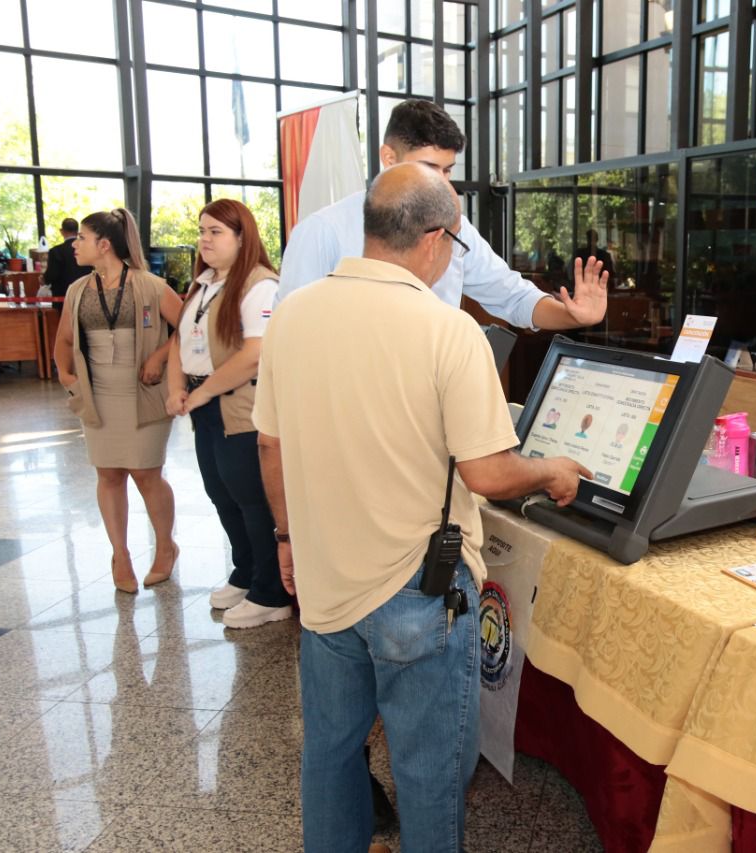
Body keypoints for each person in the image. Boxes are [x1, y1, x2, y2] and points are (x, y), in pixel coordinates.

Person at [253, 164, 587, 853]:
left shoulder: (292, 317)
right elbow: (489, 471)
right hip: (418, 592)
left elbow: (269, 446)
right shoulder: (449, 331)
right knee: (429, 773)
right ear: (435, 239)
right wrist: (551, 468)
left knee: (332, 756)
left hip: (323, 584)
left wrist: (286, 538)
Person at [278, 98, 608, 331]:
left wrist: (573, 316)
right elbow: (288, 332)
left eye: (447, 170)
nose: (440, 182)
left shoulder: (457, 227)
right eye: (428, 168)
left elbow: (512, 296)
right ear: (389, 158)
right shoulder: (324, 230)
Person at [165, 198, 293, 630]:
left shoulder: (261, 285)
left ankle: (271, 593)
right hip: (205, 404)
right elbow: (179, 342)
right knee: (221, 493)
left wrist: (202, 395)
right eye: (202, 230)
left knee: (252, 499)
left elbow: (254, 355)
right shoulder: (202, 284)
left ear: (243, 237)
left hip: (239, 404)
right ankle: (246, 572)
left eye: (216, 231)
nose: (205, 239)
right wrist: (177, 387)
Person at [53, 209, 183, 594]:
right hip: (97, 396)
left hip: (143, 394)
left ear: (104, 245)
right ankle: (120, 553)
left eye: (82, 239)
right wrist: (66, 376)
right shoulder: (79, 291)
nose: (75, 244)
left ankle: (165, 547)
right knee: (108, 474)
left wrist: (159, 357)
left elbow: (190, 328)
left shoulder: (150, 285)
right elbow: (62, 340)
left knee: (146, 473)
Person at [44, 217, 94, 299]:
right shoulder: (88, 249)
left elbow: (52, 275)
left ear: (61, 231)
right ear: (78, 232)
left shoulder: (56, 251)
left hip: (63, 295)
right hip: (86, 293)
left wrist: (44, 279)